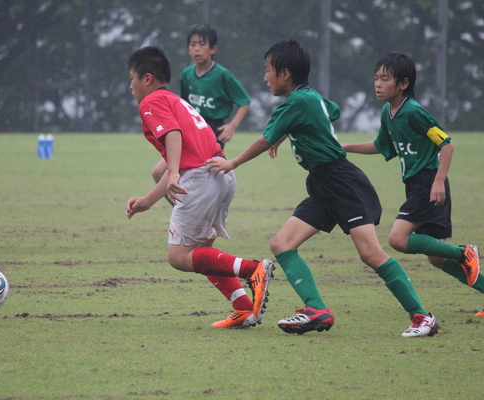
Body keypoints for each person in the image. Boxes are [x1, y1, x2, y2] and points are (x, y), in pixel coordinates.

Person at [206, 39, 439, 338]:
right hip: (322, 183)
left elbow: (264, 140)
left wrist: (233, 162)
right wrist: (293, 130)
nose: (265, 78)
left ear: (285, 74)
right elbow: (333, 109)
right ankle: (316, 309)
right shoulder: (310, 97)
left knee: (371, 254)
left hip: (342, 182)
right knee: (282, 244)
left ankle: (422, 317)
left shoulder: (295, 102)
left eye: (268, 71)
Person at [126, 46, 274, 329]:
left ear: (147, 79)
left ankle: (253, 269)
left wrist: (171, 175)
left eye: (131, 78)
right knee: (204, 254)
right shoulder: (176, 100)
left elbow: (173, 137)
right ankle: (243, 308)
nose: (130, 86)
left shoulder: (151, 102)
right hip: (218, 173)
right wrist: (148, 199)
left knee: (179, 257)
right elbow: (181, 160)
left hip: (201, 178)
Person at [341, 52, 482, 317]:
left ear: (403, 83)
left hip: (429, 184)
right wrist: (345, 147)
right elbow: (381, 146)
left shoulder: (414, 111)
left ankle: (464, 252)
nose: (378, 84)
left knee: (398, 239)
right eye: (376, 78)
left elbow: (446, 143)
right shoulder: (388, 112)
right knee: (438, 259)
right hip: (418, 185)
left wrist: (439, 180)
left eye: (385, 79)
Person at [150, 24, 251, 191]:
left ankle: (191, 211)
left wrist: (232, 125)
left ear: (213, 49)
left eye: (202, 44)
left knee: (200, 179)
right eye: (192, 44)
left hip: (212, 131)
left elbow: (244, 101)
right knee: (158, 172)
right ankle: (184, 210)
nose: (197, 49)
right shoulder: (187, 74)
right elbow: (182, 105)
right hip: (190, 129)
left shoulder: (222, 74)